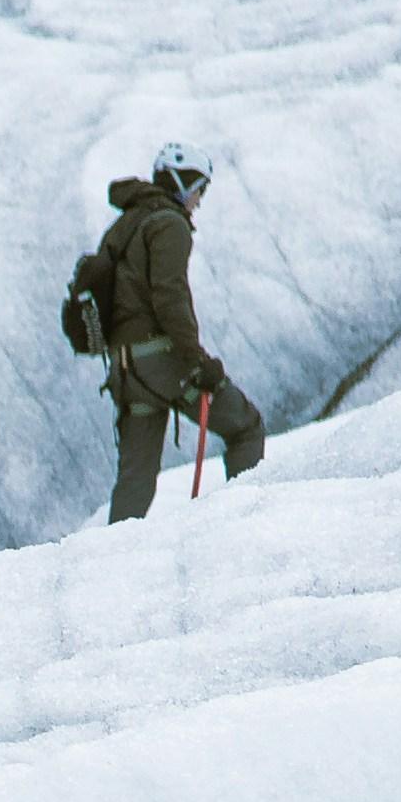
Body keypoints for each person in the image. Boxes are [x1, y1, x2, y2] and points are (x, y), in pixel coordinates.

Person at [95, 141, 265, 523]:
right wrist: (197, 360)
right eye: (199, 189)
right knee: (246, 427)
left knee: (136, 481)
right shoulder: (168, 224)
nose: (199, 201)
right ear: (183, 183)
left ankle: (107, 566)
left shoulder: (125, 223)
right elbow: (170, 298)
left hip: (124, 369)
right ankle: (243, 527)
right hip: (161, 360)